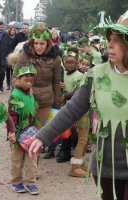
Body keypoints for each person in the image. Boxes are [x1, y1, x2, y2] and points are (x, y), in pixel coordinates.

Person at [29, 11, 128, 200]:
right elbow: (73, 109)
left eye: (119, 40)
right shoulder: (97, 74)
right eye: (110, 39)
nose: (110, 44)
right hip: (106, 166)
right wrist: (43, 136)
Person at [8, 64, 39, 195]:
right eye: (26, 81)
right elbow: (11, 115)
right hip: (17, 133)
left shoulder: (30, 94)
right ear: (17, 79)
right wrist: (12, 132)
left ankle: (31, 182)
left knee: (32, 159)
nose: (29, 84)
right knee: (17, 160)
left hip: (30, 133)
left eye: (31, 81)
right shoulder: (15, 95)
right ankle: (16, 181)